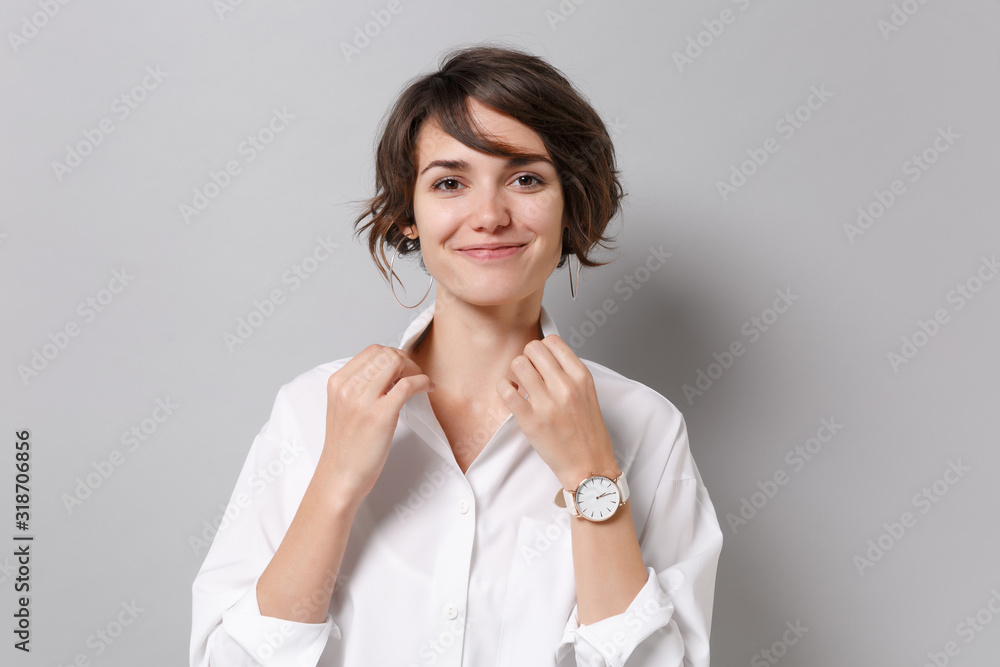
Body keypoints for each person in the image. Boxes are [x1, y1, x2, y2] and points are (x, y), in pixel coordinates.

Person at [190, 43, 723, 667]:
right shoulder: (311, 409)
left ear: (569, 204)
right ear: (408, 214)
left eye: (525, 178)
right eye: (450, 182)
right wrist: (336, 482)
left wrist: (592, 480)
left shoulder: (646, 427)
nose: (490, 215)